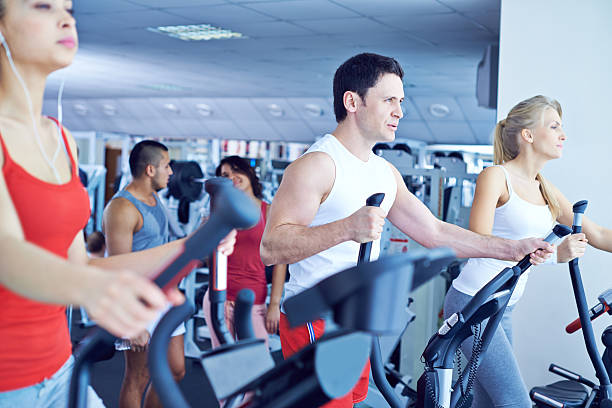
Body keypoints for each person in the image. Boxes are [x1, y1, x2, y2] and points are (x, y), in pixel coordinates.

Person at [260, 53, 554, 408]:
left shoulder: (384, 172)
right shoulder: (317, 165)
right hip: (316, 319)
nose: (400, 111)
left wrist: (511, 249)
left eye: (401, 101)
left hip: (358, 320)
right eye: (389, 100)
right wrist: (347, 228)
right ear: (352, 101)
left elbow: (433, 232)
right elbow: (272, 246)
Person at [0, 2, 234, 407]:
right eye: (42, 5)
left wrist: (194, 246)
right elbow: (7, 253)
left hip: (58, 368)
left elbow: (81, 264)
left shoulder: (62, 141)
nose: (66, 18)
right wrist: (96, 290)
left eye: (68, 8)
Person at [443, 95, 612, 407]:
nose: (563, 135)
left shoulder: (544, 188)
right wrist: (556, 257)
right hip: (473, 300)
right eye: (554, 126)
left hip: (504, 305)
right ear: (528, 135)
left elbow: (599, 233)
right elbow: (477, 243)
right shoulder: (496, 177)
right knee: (513, 401)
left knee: (488, 401)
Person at [103, 140, 185, 408]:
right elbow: (118, 268)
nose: (171, 172)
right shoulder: (121, 209)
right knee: (138, 376)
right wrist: (132, 323)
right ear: (150, 170)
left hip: (163, 295)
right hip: (137, 301)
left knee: (175, 370)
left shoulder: (153, 197)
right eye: (166, 166)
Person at [203, 156, 287, 348]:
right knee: (224, 367)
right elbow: (210, 261)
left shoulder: (269, 211)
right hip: (218, 299)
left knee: (256, 365)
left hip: (252, 301)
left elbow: (280, 260)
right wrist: (206, 235)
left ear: (248, 173)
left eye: (235, 170)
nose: (232, 176)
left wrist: (274, 303)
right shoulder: (219, 214)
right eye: (225, 175)